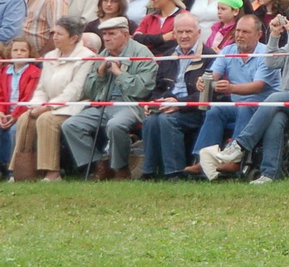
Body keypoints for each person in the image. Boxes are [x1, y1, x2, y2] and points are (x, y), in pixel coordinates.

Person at [202, 4, 289, 183]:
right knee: (275, 119)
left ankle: (240, 145)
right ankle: (269, 173)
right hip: (287, 102)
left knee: (274, 98)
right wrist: (275, 36)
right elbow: (270, 62)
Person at [61, 17, 157, 178]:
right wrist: (100, 74)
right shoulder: (103, 54)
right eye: (104, 34)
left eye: (112, 34)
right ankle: (99, 164)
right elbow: (90, 91)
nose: (106, 38)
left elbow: (142, 90)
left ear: (126, 35)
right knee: (70, 125)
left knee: (115, 125)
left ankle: (121, 168)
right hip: (102, 105)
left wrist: (119, 74)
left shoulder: (142, 54)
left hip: (129, 105)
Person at [186, 14, 277, 173]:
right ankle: (203, 160)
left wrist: (231, 88)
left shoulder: (266, 54)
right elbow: (213, 73)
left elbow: (258, 86)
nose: (240, 35)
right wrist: (203, 80)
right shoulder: (228, 51)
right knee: (215, 110)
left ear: (259, 35)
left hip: (263, 109)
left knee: (244, 107)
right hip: (239, 106)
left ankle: (235, 159)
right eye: (238, 31)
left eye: (246, 32)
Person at [12, 19, 98, 181]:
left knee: (47, 120)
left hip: (75, 106)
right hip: (48, 105)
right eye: (53, 33)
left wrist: (47, 107)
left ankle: (52, 172)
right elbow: (42, 88)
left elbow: (75, 91)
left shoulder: (87, 57)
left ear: (73, 38)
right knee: (25, 118)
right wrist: (36, 105)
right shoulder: (50, 56)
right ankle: (22, 171)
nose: (54, 37)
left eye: (59, 33)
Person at [136, 13, 212, 179]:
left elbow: (207, 93)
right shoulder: (169, 55)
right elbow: (159, 86)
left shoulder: (208, 56)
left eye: (189, 31)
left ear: (198, 33)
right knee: (150, 120)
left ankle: (174, 172)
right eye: (180, 32)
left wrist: (179, 103)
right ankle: (148, 171)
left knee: (166, 120)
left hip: (194, 110)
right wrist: (153, 102)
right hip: (167, 105)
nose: (184, 36)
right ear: (174, 34)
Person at [0, 36, 41, 178]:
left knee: (13, 132)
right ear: (9, 52)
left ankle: (11, 168)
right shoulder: (4, 71)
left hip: (23, 112)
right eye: (15, 50)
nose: (18, 53)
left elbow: (28, 97)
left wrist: (15, 115)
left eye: (23, 50)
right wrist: (1, 112)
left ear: (30, 53)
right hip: (6, 112)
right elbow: (1, 95)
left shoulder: (34, 72)